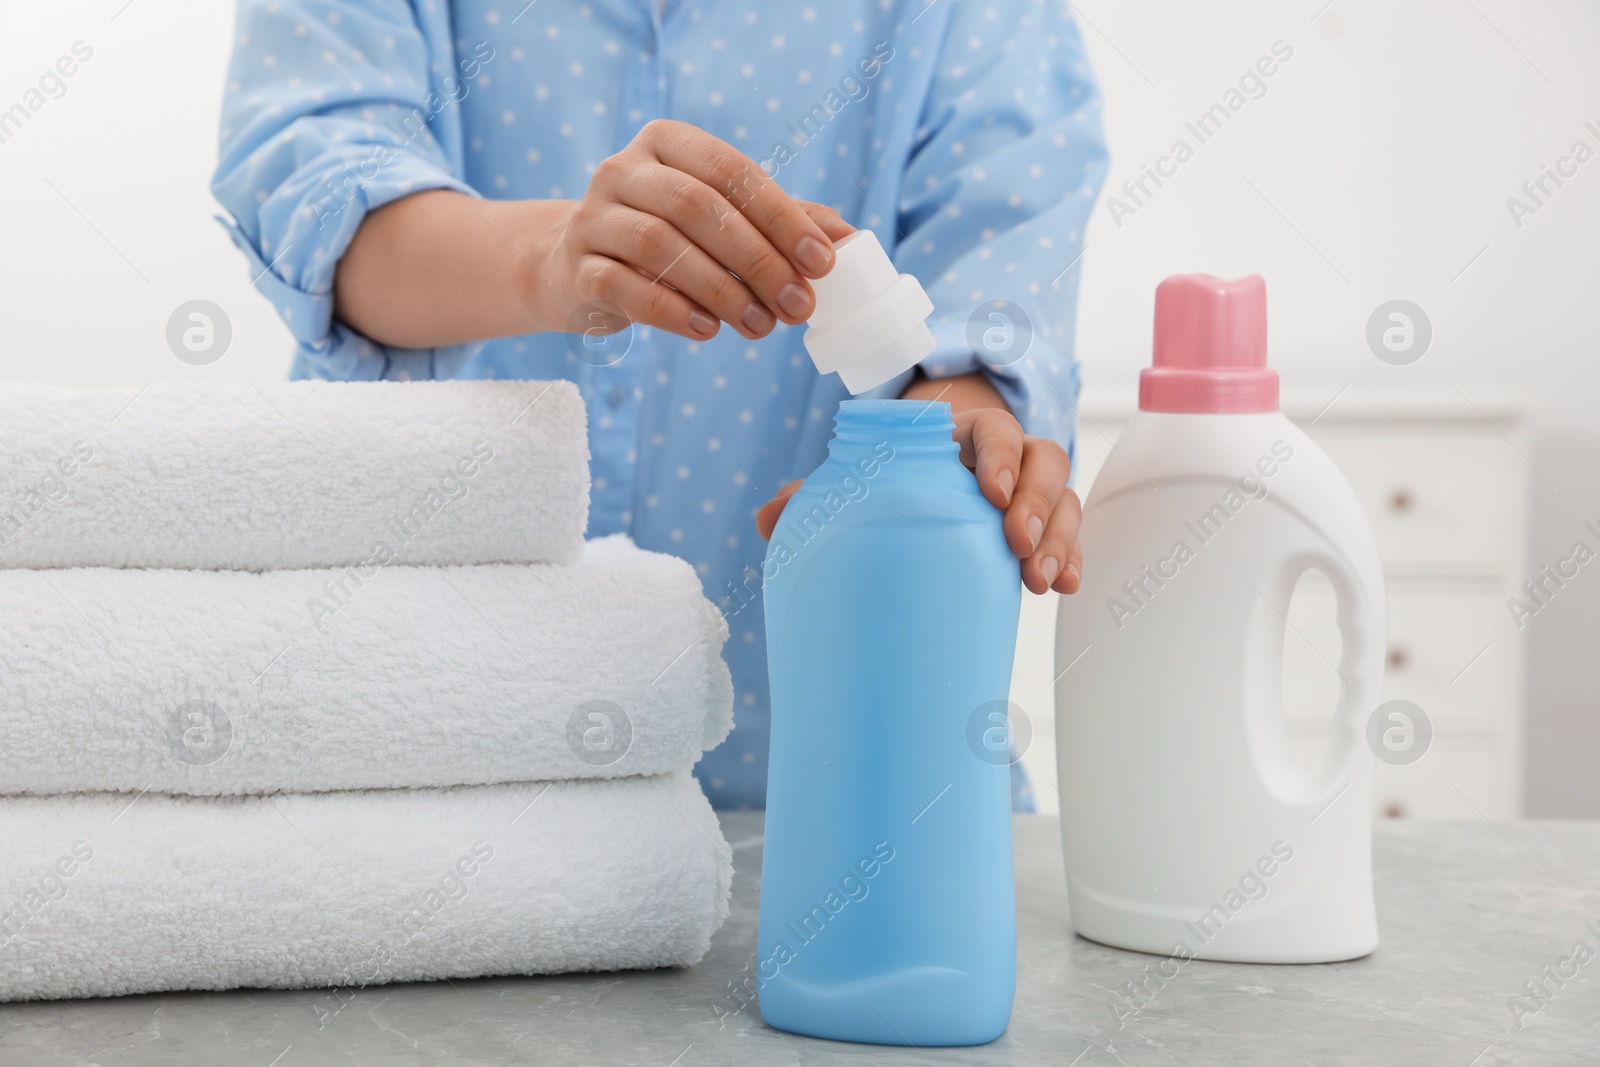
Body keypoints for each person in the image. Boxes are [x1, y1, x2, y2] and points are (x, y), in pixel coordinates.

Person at [213, 0, 1107, 809]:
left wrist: (933, 456)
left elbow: (993, 277)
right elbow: (317, 191)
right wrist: (550, 259)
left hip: (833, 803)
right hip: (409, 779)